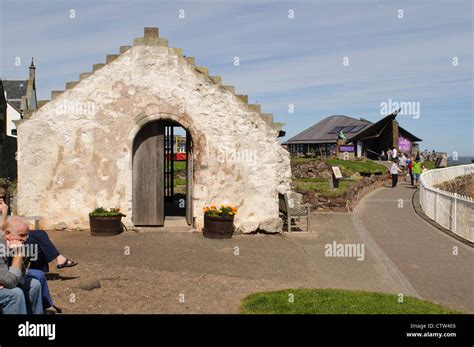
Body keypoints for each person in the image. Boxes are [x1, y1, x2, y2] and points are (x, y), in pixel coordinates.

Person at [0, 195, 77, 272]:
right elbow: (2, 230)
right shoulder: (3, 211)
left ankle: (56, 261)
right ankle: (39, 271)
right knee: (36, 242)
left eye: (2, 198)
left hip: (10, 233)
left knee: (40, 233)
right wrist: (4, 212)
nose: (1, 200)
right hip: (4, 238)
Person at [0, 216, 43, 314]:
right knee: (15, 293)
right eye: (22, 235)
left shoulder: (14, 243)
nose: (26, 239)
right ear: (7, 233)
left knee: (34, 285)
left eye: (27, 235)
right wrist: (18, 254)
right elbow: (11, 282)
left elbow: (22, 276)